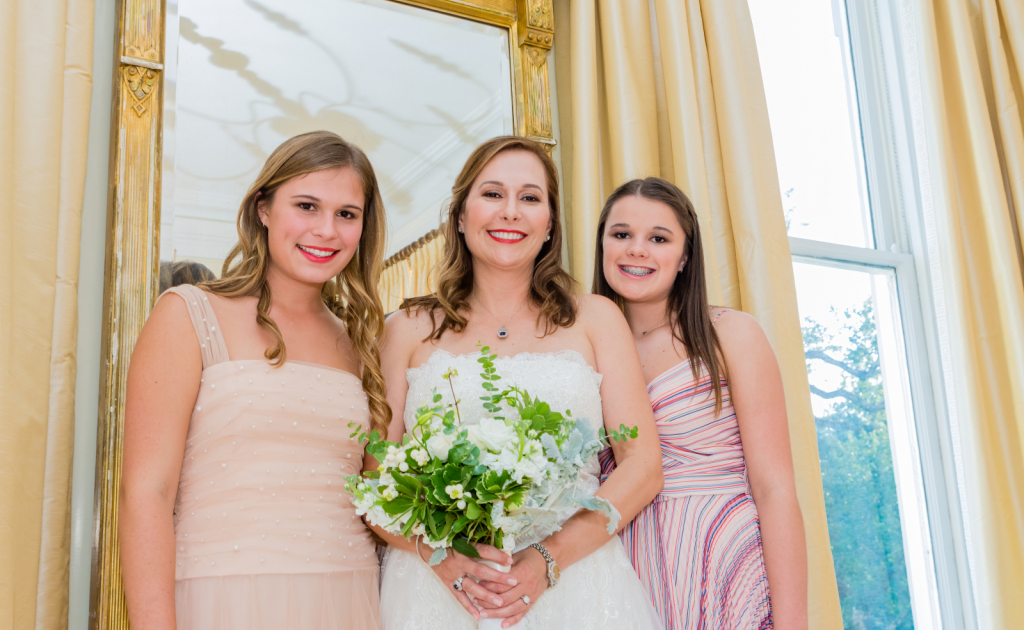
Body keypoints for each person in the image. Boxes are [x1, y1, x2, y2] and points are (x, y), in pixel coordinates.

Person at [374, 136, 665, 630]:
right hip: (437, 591)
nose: (511, 212)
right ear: (460, 216)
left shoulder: (596, 318)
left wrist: (547, 560)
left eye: (530, 198)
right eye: (492, 194)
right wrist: (442, 555)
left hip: (577, 582)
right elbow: (376, 484)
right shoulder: (405, 328)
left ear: (550, 224)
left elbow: (643, 465)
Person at [119, 131, 390, 630]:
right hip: (222, 602)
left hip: (347, 600)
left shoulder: (364, 343)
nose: (326, 230)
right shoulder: (187, 315)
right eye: (307, 205)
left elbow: (379, 500)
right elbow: (147, 493)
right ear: (263, 208)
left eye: (346, 214)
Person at [593, 177, 808, 629]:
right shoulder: (583, 350)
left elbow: (775, 489)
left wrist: (794, 623)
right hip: (620, 571)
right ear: (602, 246)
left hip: (723, 561)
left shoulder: (731, 334)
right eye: (621, 234)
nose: (636, 249)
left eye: (658, 238)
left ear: (685, 257)